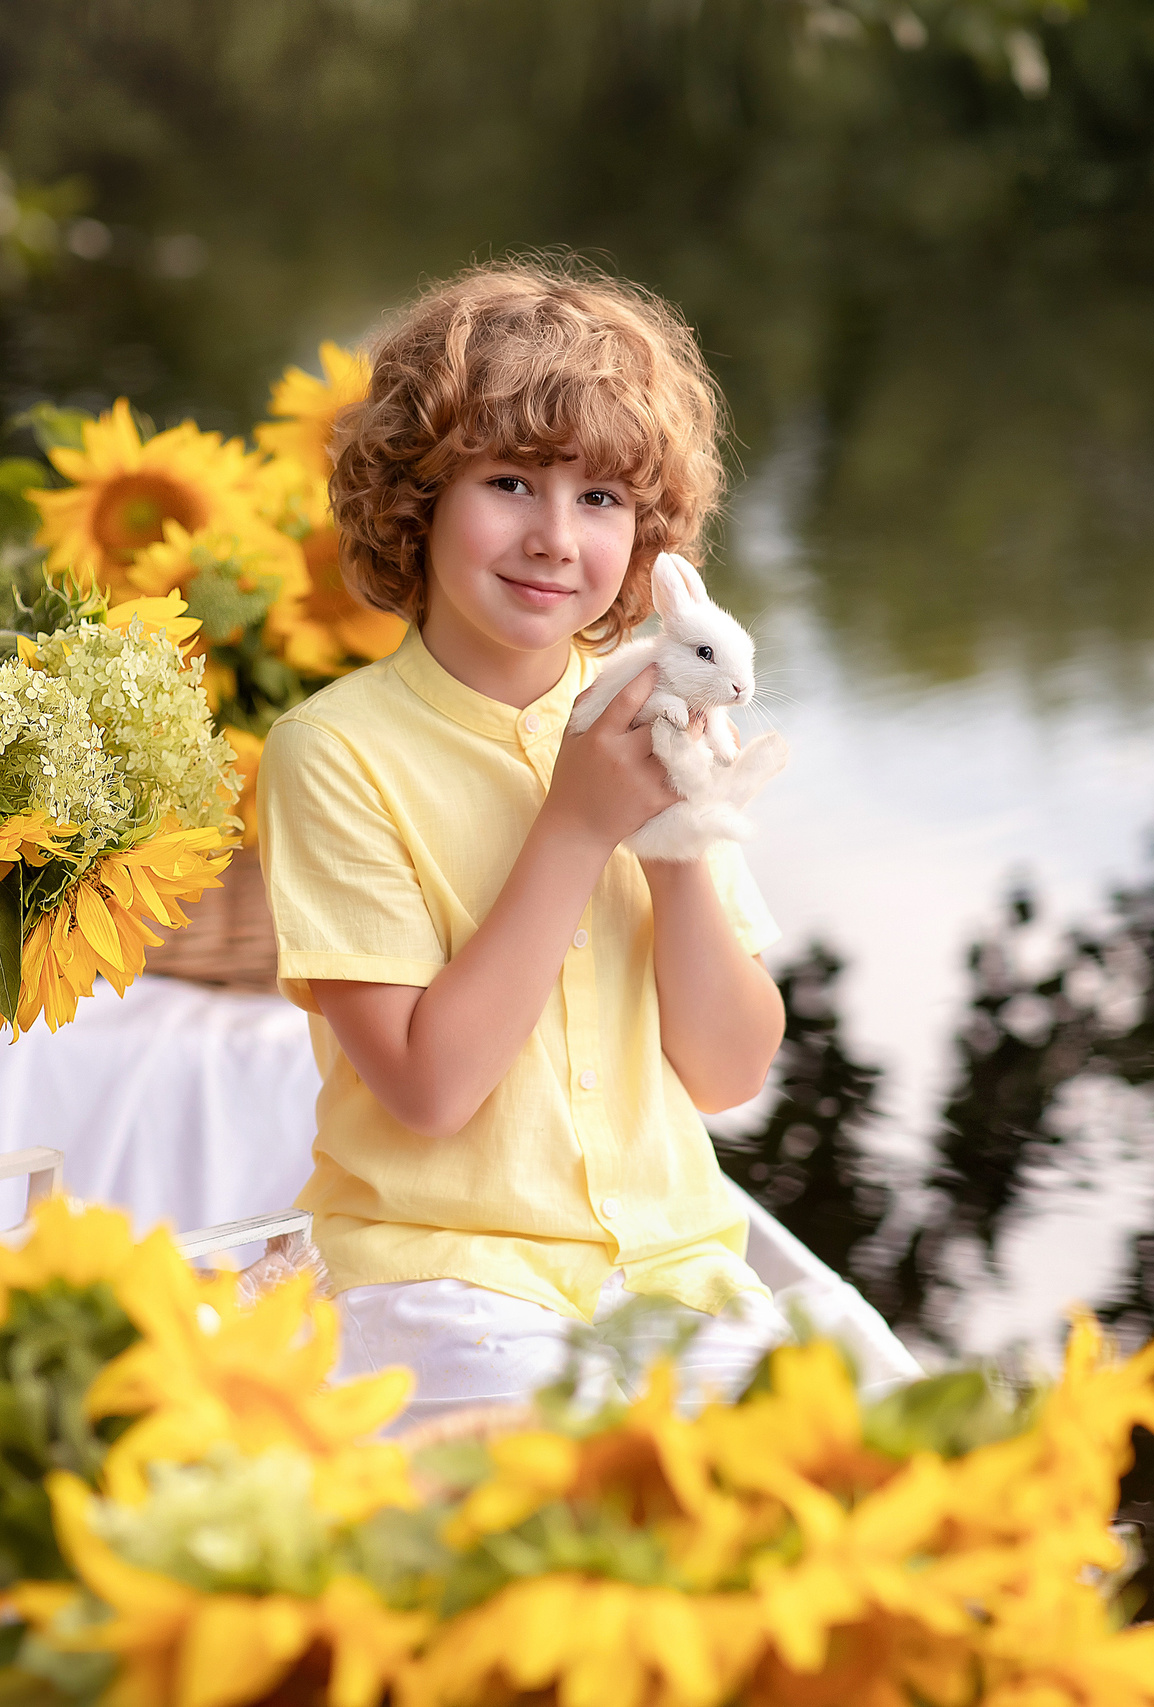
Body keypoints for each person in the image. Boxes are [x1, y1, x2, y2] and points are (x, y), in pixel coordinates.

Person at [257, 258, 796, 1428]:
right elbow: (429, 1089)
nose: (556, 538)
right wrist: (573, 825)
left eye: (600, 500)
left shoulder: (646, 713)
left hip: (676, 1273)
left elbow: (730, 1071)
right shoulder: (333, 754)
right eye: (510, 482)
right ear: (418, 500)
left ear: (651, 551)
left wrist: (672, 838)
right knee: (564, 1490)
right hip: (447, 1284)